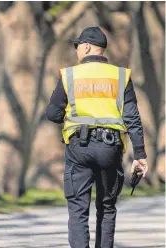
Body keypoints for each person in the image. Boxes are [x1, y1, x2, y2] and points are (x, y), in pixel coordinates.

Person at [45, 26, 148, 248]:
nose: (76, 51)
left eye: (77, 46)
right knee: (107, 207)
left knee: (78, 209)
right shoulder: (120, 76)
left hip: (78, 149)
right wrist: (139, 154)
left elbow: (52, 114)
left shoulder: (70, 75)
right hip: (110, 149)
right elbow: (132, 118)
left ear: (87, 46)